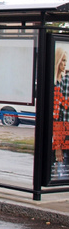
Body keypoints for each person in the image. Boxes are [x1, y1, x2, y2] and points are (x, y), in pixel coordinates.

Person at [51, 46, 69, 179]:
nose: (64, 64)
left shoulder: (63, 81)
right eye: (62, 60)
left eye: (66, 61)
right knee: (61, 169)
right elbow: (59, 117)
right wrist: (58, 145)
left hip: (62, 135)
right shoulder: (59, 84)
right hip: (60, 135)